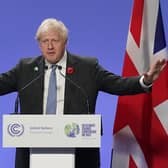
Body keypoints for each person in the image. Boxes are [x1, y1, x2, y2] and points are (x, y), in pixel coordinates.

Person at [0, 18, 166, 168]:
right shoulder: (25, 69)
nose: (49, 46)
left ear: (65, 42)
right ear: (39, 44)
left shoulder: (87, 67)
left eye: (54, 41)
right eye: (44, 41)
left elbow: (118, 85)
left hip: (79, 155)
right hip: (32, 154)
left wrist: (145, 80)